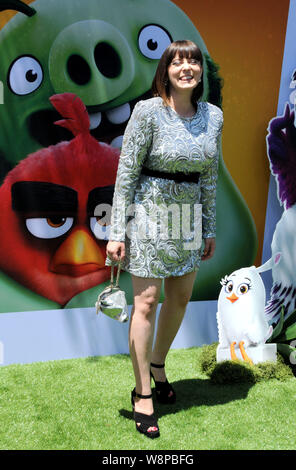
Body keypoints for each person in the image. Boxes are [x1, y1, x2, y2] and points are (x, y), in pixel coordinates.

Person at [106, 39, 223, 439]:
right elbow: (126, 173)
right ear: (166, 70)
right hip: (150, 216)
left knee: (181, 298)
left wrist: (209, 227)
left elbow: (210, 176)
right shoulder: (148, 111)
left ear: (200, 71)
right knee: (147, 303)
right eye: (178, 61)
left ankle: (158, 365)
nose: (186, 67)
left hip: (188, 219)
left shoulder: (213, 116)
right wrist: (116, 230)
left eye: (193, 61)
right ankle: (142, 394)